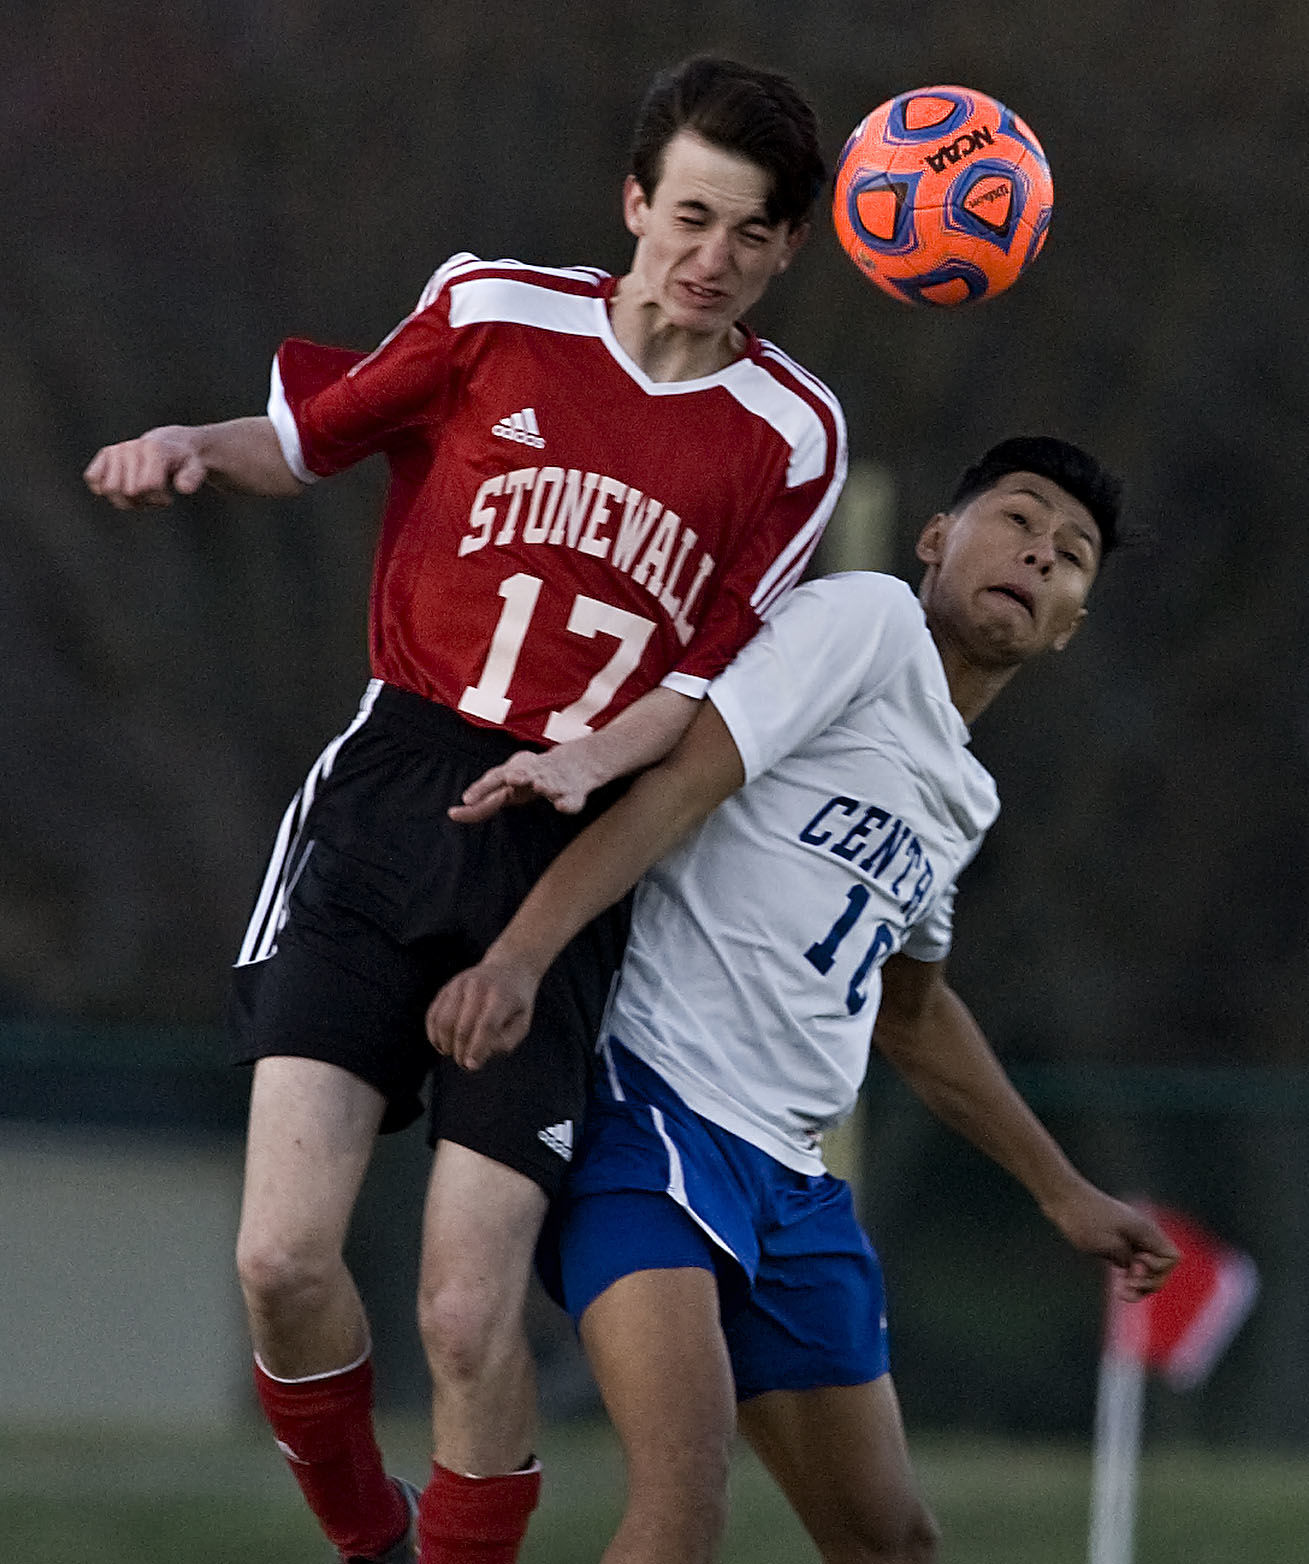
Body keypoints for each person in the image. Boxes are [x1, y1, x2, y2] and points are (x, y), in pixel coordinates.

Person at [83, 56, 844, 1564]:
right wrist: (193, 447)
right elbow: (307, 443)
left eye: (751, 233)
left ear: (789, 248)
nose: (710, 258)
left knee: (463, 1307)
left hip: (566, 860)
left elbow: (703, 689)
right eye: (688, 215)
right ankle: (370, 1540)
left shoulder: (790, 434)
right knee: (284, 1258)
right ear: (634, 202)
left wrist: (583, 763)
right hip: (392, 798)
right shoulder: (500, 311)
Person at [428, 437, 1181, 1564]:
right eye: (1016, 520)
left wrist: (1061, 1191)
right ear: (936, 539)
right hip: (654, 1115)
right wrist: (522, 955)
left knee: (890, 1542)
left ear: (1072, 620)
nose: (1037, 554)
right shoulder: (869, 624)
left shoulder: (963, 794)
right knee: (682, 1508)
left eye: (1070, 556)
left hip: (792, 1183)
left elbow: (913, 1012)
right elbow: (681, 786)